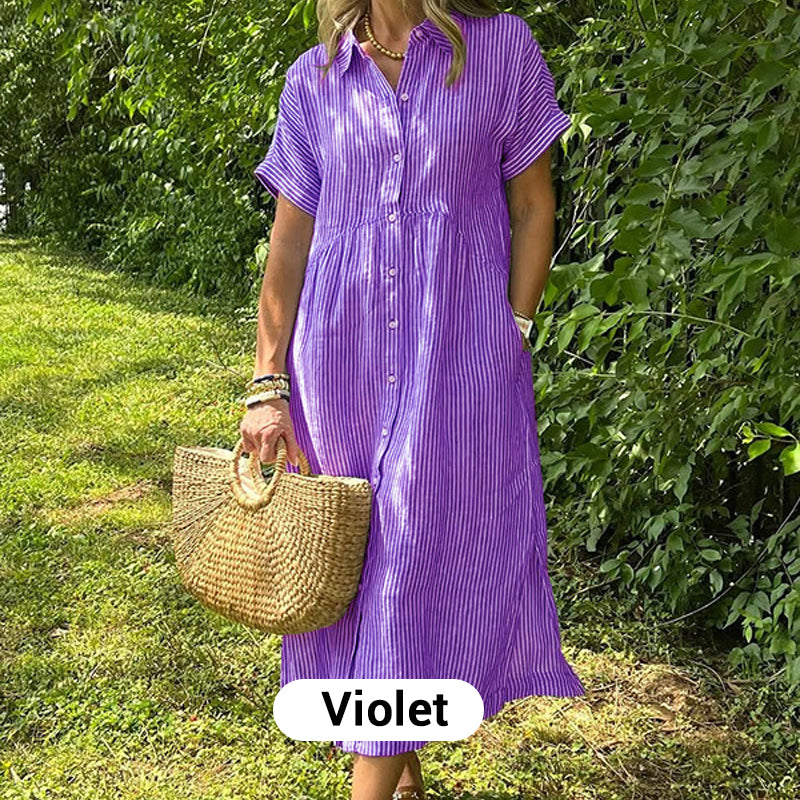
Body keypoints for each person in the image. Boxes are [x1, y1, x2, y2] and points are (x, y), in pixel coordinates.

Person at [240, 2, 585, 798]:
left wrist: (513, 328)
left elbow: (534, 205)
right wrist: (267, 383)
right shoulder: (315, 80)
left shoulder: (500, 49)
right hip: (340, 368)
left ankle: (375, 779)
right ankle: (404, 772)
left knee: (412, 561)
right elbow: (290, 241)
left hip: (457, 364)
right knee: (361, 574)